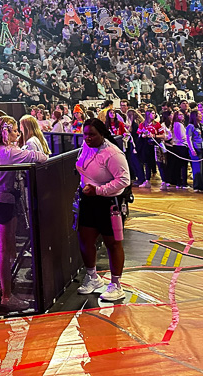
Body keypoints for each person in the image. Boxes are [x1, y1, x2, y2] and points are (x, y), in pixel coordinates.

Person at [0, 114, 45, 305]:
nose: (18, 134)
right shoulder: (10, 152)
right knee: (3, 248)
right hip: (3, 201)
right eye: (15, 131)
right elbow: (41, 157)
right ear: (6, 132)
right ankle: (6, 296)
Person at [76, 118, 132, 303]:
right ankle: (92, 277)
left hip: (108, 203)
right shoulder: (86, 147)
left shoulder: (113, 154)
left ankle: (116, 285)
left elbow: (124, 180)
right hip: (88, 200)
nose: (88, 138)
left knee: (112, 243)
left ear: (102, 134)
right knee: (85, 239)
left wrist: (99, 190)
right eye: (85, 134)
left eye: (92, 134)